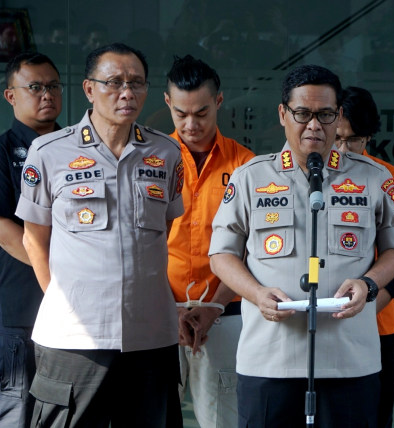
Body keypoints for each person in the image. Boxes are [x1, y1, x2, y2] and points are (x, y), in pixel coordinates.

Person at [209, 64, 394, 428]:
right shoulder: (251, 177)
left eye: (325, 114)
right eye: (302, 113)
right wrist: (255, 293)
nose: (314, 125)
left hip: (350, 358)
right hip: (270, 357)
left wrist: (368, 284)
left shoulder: (374, 178)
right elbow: (221, 254)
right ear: (283, 113)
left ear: (339, 116)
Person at [15, 43, 184, 427]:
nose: (127, 93)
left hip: (150, 334)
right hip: (75, 337)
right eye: (114, 82)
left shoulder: (167, 153)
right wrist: (65, 299)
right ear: (89, 89)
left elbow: (165, 230)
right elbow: (34, 240)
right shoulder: (48, 152)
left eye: (136, 83)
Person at [164, 54, 254, 428]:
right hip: (158, 314)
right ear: (167, 103)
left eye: (201, 113)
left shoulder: (246, 166)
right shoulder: (150, 160)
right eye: (181, 113)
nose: (190, 124)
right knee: (155, 414)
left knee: (223, 420)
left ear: (218, 102)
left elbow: (252, 248)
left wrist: (214, 307)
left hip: (226, 314)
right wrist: (170, 310)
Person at [335, 85, 394, 428]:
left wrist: (366, 310)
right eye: (337, 137)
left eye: (354, 140)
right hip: (321, 324)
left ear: (368, 138)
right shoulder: (310, 177)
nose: (343, 148)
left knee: (375, 416)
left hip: (378, 325)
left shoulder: (393, 180)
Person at [0, 52, 62, 428]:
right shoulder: (3, 151)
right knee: (18, 413)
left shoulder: (77, 150)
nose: (46, 95)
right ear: (11, 96)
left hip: (75, 315)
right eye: (35, 87)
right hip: (20, 313)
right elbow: (6, 233)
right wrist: (61, 271)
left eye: (52, 86)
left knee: (67, 415)